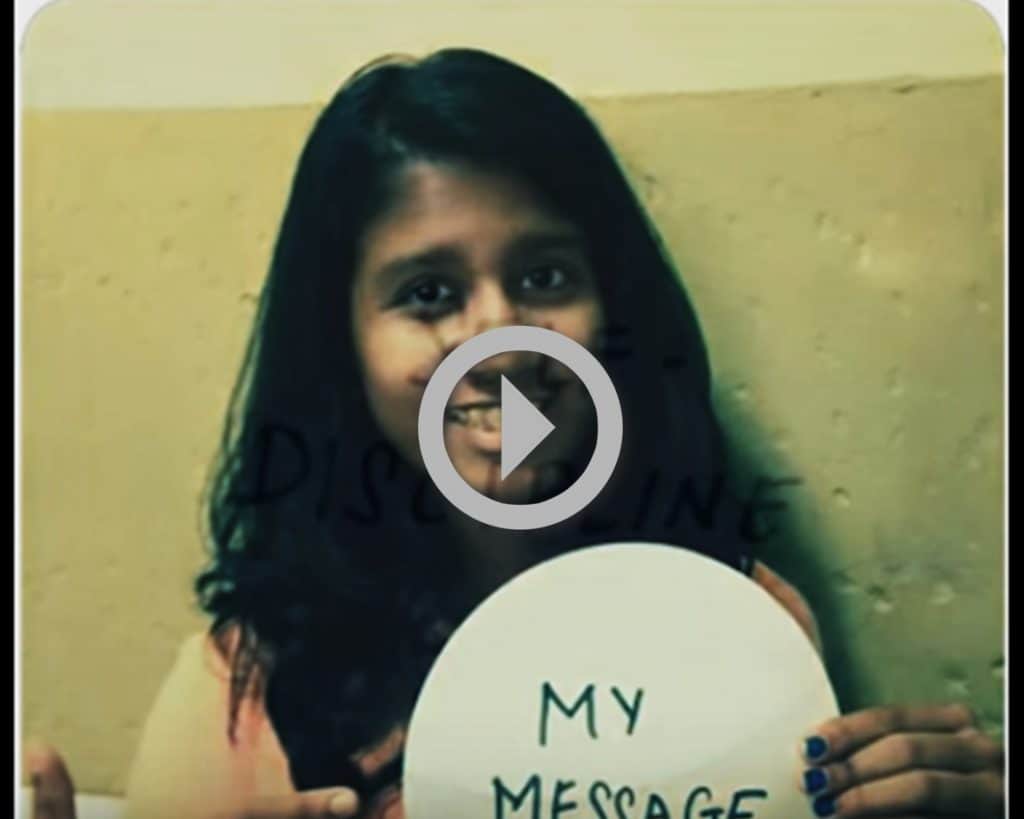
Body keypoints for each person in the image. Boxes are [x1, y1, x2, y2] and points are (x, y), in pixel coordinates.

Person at [24, 49, 1003, 819]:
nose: (495, 343)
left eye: (542, 277)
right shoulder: (246, 687)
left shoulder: (741, 624)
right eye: (428, 294)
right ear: (345, 348)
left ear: (612, 313)